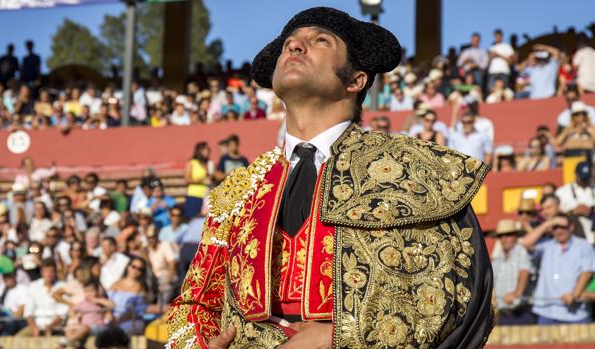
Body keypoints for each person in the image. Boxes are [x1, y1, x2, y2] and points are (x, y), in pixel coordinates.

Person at [168, 7, 494, 349]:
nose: (294, 47)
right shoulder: (239, 193)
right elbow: (195, 305)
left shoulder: (415, 172)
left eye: (319, 41)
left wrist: (338, 337)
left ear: (355, 80)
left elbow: (459, 297)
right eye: (288, 45)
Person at [521, 214, 595, 324]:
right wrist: (550, 222)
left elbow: (587, 273)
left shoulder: (584, 246)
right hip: (547, 312)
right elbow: (526, 242)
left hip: (576, 314)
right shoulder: (547, 246)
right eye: (555, 228)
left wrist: (574, 295)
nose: (559, 231)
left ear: (571, 227)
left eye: (562, 227)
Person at [491, 219, 533, 325]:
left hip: (520, 312)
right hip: (501, 312)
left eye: (508, 235)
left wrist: (516, 293)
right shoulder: (497, 259)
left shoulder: (521, 252)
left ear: (516, 236)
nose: (504, 239)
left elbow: (524, 272)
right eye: (501, 236)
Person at [556, 161, 595, 244]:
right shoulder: (562, 192)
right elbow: (556, 216)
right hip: (574, 240)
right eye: (582, 178)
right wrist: (573, 212)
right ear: (575, 174)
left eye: (586, 178)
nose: (584, 181)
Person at [19, 258, 68, 336]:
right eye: (46, 271)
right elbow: (28, 310)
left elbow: (63, 312)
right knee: (19, 339)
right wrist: (33, 327)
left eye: (51, 271)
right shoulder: (33, 286)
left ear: (55, 272)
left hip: (57, 327)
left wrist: (51, 326)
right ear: (41, 272)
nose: (48, 274)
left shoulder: (62, 286)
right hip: (36, 326)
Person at [108, 257, 153, 335]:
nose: (136, 270)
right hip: (112, 319)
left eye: (140, 269)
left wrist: (120, 318)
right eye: (133, 266)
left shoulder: (142, 288)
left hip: (132, 320)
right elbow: (107, 302)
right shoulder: (115, 284)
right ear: (128, 266)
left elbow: (140, 309)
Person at [64, 279, 113, 348]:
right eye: (86, 291)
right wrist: (74, 315)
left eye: (91, 291)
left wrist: (97, 300)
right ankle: (74, 343)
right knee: (69, 328)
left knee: (85, 327)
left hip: (98, 327)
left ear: (96, 291)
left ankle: (67, 341)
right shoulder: (83, 303)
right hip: (84, 327)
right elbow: (72, 311)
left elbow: (112, 305)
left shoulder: (100, 302)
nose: (89, 294)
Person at [184, 142, 213, 219]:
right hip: (194, 195)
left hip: (206, 196)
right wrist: (201, 181)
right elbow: (187, 180)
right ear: (200, 151)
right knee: (192, 219)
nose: (208, 151)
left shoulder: (209, 164)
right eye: (206, 149)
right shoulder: (192, 163)